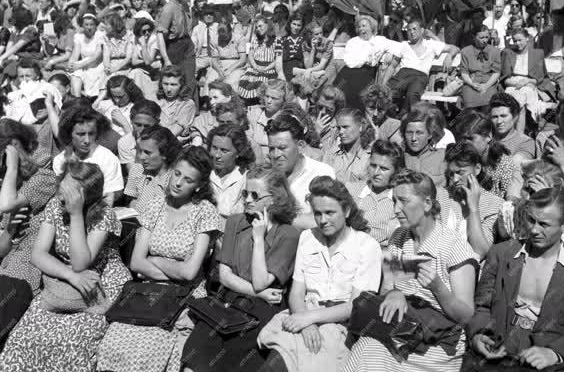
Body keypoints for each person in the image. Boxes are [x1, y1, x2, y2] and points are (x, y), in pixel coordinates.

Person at [97, 146, 220, 372]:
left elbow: (190, 273)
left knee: (152, 350)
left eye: (188, 180)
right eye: (177, 174)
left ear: (199, 186)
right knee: (114, 344)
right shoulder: (156, 204)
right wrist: (175, 268)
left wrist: (155, 261)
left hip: (186, 294)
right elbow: (136, 262)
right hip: (150, 289)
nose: (178, 182)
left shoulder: (204, 211)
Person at [0, 162, 131, 372]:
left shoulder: (104, 215)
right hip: (63, 277)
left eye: (69, 191)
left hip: (99, 283)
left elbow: (81, 263)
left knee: (73, 341)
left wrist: (76, 214)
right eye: (63, 186)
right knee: (25, 337)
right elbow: (38, 254)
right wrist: (70, 276)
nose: (62, 194)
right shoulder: (55, 205)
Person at [344, 169, 477, 372]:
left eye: (404, 201)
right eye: (394, 201)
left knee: (367, 351)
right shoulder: (397, 238)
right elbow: (387, 288)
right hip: (400, 331)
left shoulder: (454, 247)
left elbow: (466, 316)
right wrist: (395, 293)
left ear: (427, 203)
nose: (396, 209)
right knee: (365, 347)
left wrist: (438, 288)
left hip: (437, 344)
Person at [465, 187, 564, 372]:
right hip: (493, 358)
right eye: (531, 220)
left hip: (545, 366)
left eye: (544, 224)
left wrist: (555, 354)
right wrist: (477, 336)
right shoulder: (501, 253)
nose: (534, 230)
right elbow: (482, 305)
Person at [181, 165, 301, 372]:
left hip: (260, 312)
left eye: (255, 195)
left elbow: (261, 280)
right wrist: (260, 293)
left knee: (237, 361)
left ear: (274, 198)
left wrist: (258, 238)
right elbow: (225, 276)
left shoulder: (288, 234)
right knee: (195, 359)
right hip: (226, 302)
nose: (247, 199)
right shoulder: (235, 222)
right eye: (246, 193)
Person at [258, 176, 382, 372]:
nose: (323, 220)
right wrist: (305, 322)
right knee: (275, 364)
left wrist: (310, 319)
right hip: (302, 314)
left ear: (347, 211)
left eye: (330, 213)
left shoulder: (367, 246)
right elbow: (297, 293)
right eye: (317, 214)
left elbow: (355, 307)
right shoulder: (308, 238)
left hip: (339, 325)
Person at [0, 120, 59, 346]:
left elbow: (7, 204)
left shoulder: (45, 178)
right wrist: (10, 230)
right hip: (5, 268)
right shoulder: (8, 183)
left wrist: (13, 164)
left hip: (25, 274)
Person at [497, 160, 564, 252]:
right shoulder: (508, 210)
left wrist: (548, 201)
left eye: (534, 192)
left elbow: (560, 256)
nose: (528, 198)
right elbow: (506, 249)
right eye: (526, 189)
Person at [266, 112, 335, 230]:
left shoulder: (321, 173)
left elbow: (323, 220)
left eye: (282, 148)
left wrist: (276, 218)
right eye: (271, 148)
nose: (276, 155)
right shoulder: (266, 176)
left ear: (301, 146)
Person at [53, 104, 124, 204]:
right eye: (81, 134)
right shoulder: (60, 160)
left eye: (91, 134)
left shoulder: (108, 158)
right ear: (69, 134)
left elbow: (110, 198)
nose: (87, 140)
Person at [385, 17, 459, 113]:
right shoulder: (404, 45)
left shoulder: (431, 44)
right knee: (388, 93)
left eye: (414, 29)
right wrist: (383, 84)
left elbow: (455, 48)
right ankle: (391, 120)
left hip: (420, 76)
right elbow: (392, 66)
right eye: (409, 30)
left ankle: (410, 120)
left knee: (412, 96)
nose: (412, 32)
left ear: (422, 30)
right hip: (403, 74)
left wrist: (449, 56)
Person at [445, 141, 503, 260]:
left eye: (460, 172)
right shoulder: (441, 195)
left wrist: (473, 208)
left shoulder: (495, 204)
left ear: (477, 169)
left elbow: (480, 251)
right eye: (451, 174)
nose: (455, 180)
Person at [346, 140, 404, 247]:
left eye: (384, 168)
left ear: (396, 171)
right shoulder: (351, 190)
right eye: (373, 166)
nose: (376, 172)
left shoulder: (401, 200)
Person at [334, 14, 398, 111]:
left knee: (359, 92)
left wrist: (389, 54)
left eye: (364, 26)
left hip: (368, 72)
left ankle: (355, 115)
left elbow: (399, 47)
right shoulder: (353, 42)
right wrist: (364, 60)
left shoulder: (380, 40)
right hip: (349, 71)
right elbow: (349, 61)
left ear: (372, 27)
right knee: (338, 92)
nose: (361, 29)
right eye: (359, 26)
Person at [453, 111, 522, 200]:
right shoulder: (463, 161)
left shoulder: (506, 167)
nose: (465, 143)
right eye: (463, 139)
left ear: (488, 136)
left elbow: (510, 206)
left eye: (470, 138)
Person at [500, 27, 556, 129]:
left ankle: (518, 132)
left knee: (525, 94)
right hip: (512, 84)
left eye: (520, 40)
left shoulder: (537, 53)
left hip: (529, 84)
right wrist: (518, 83)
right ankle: (515, 132)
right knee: (514, 100)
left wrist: (526, 81)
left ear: (527, 38)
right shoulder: (508, 52)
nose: (517, 43)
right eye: (515, 40)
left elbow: (539, 78)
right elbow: (505, 79)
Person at [206, 122, 256, 233]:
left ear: (238, 152)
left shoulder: (246, 179)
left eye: (224, 151)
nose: (217, 155)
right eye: (214, 148)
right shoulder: (204, 173)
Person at [123, 125, 182, 214]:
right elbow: (133, 201)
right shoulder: (137, 170)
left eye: (147, 153)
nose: (141, 157)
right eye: (140, 151)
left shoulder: (176, 180)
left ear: (164, 153)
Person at [156, 0, 196, 96]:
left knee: (189, 79)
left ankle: (192, 109)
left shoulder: (185, 5)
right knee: (174, 80)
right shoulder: (168, 9)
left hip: (187, 44)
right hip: (173, 47)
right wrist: (166, 58)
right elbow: (160, 35)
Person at [401, 106, 456, 187]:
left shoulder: (443, 157)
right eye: (409, 132)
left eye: (419, 133)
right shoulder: (398, 156)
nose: (413, 138)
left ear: (430, 134)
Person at [322, 108, 375, 183]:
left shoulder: (371, 157)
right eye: (339, 128)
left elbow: (368, 190)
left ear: (360, 127)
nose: (341, 132)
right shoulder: (331, 154)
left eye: (346, 127)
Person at [248, 79, 292, 161]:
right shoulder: (254, 112)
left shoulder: (287, 119)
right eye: (267, 96)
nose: (268, 101)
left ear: (284, 100)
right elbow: (246, 140)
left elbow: (278, 145)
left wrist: (254, 126)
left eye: (274, 98)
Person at [93, 74, 145, 143]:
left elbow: (135, 141)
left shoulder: (138, 109)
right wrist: (101, 96)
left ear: (130, 91)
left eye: (120, 97)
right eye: (114, 96)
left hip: (122, 144)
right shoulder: (106, 104)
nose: (117, 100)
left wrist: (124, 123)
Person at [460, 25, 501, 111]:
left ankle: (486, 123)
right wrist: (472, 84)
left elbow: (496, 72)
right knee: (470, 108)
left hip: (489, 83)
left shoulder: (495, 51)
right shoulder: (465, 51)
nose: (485, 40)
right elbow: (464, 73)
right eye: (481, 38)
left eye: (487, 37)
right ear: (474, 37)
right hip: (471, 83)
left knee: (489, 106)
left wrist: (486, 86)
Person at [238, 16, 280, 101]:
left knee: (261, 83)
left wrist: (266, 68)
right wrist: (256, 66)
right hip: (255, 66)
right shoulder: (255, 39)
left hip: (268, 68)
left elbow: (277, 59)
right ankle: (248, 103)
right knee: (245, 82)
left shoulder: (276, 40)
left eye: (260, 26)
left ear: (267, 25)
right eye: (256, 27)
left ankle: (258, 102)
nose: (258, 29)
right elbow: (250, 55)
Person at [489, 92, 536, 164]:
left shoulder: (526, 142)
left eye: (503, 116)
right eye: (495, 117)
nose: (499, 121)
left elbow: (514, 167)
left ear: (515, 117)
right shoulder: (486, 138)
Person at [67, 13, 106, 98]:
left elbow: (97, 55)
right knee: (75, 71)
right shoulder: (78, 36)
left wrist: (80, 65)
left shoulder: (100, 35)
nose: (89, 27)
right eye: (86, 24)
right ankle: (77, 99)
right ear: (82, 25)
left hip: (97, 65)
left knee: (79, 68)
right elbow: (75, 54)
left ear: (95, 25)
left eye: (91, 24)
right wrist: (70, 64)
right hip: (84, 65)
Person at [116, 99, 161, 170]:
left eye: (147, 126)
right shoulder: (124, 142)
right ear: (131, 120)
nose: (142, 130)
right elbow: (133, 175)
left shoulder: (166, 139)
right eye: (138, 125)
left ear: (157, 123)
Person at [157, 65, 197, 137]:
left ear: (181, 85)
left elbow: (174, 132)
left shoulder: (187, 104)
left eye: (173, 85)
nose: (168, 89)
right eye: (165, 84)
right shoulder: (156, 100)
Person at [360, 82, 403, 148]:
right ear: (365, 105)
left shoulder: (393, 125)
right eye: (372, 108)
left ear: (387, 108)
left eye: (380, 110)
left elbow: (397, 153)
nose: (375, 114)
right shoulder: (356, 123)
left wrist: (376, 139)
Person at [129, 17, 161, 100]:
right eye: (144, 31)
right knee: (134, 73)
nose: (147, 33)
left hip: (155, 72)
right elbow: (134, 61)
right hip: (143, 70)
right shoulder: (136, 39)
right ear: (139, 31)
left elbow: (148, 62)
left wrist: (143, 45)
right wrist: (147, 60)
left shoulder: (154, 39)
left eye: (149, 30)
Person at [214, 15, 247, 87]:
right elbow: (214, 59)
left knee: (230, 82)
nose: (223, 39)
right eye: (221, 37)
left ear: (230, 31)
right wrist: (219, 71)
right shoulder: (215, 39)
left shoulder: (239, 38)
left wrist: (230, 69)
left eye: (225, 36)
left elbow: (243, 59)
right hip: (220, 65)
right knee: (210, 80)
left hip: (236, 65)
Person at [102, 12, 134, 78]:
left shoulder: (129, 36)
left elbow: (128, 58)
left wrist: (115, 69)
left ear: (114, 25)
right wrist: (107, 68)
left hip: (126, 68)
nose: (105, 26)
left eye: (107, 24)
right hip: (111, 67)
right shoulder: (106, 37)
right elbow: (106, 56)